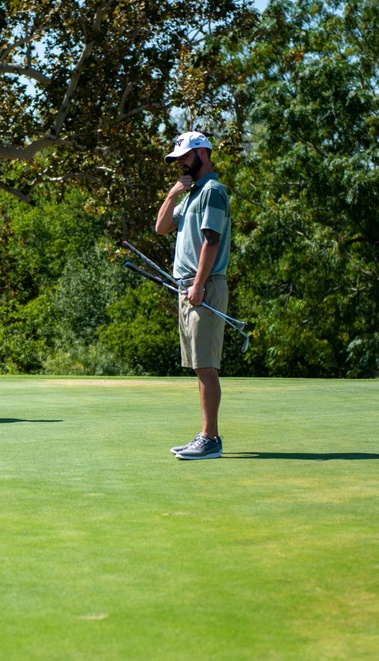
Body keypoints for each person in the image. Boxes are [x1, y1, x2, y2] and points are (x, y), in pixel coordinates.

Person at [154, 131, 231, 460]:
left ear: (202, 153)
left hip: (204, 286)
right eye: (177, 159)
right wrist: (172, 195)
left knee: (206, 366)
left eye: (184, 157)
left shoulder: (212, 191)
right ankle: (206, 435)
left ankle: (209, 438)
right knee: (200, 365)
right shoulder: (190, 195)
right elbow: (160, 228)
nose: (180, 163)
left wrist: (198, 286)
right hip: (189, 287)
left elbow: (211, 241)